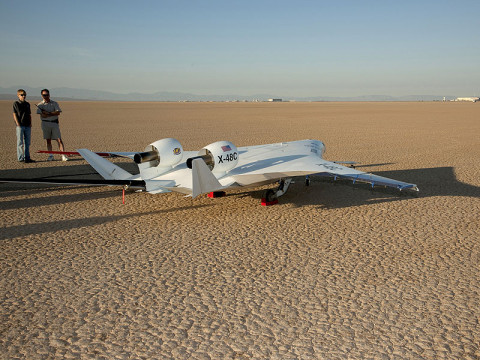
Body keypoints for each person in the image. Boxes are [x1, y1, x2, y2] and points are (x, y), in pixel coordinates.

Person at [36, 89, 68, 161]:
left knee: (59, 139)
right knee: (48, 140)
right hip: (45, 123)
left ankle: (63, 155)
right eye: (44, 95)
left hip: (54, 123)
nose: (46, 96)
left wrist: (49, 113)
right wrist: (51, 113)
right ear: (42, 96)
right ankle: (51, 155)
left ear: (49, 95)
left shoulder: (54, 103)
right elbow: (43, 115)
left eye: (47, 95)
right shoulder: (40, 105)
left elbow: (58, 112)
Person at [13, 89, 35, 163]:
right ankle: (20, 158)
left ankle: (27, 157)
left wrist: (30, 123)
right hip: (20, 125)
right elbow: (14, 114)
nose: (23, 96)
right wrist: (18, 123)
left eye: (24, 95)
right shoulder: (16, 103)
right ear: (18, 95)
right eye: (22, 95)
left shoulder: (27, 104)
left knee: (27, 142)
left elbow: (29, 114)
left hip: (27, 125)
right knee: (20, 142)